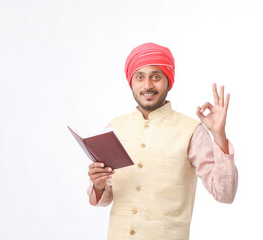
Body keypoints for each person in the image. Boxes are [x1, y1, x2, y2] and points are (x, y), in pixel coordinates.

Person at [87, 42, 238, 240]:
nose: (148, 85)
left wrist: (219, 135)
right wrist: (98, 184)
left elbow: (224, 194)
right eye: (140, 77)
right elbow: (103, 199)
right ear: (131, 81)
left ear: (168, 81)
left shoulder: (191, 131)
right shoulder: (115, 128)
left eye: (156, 77)